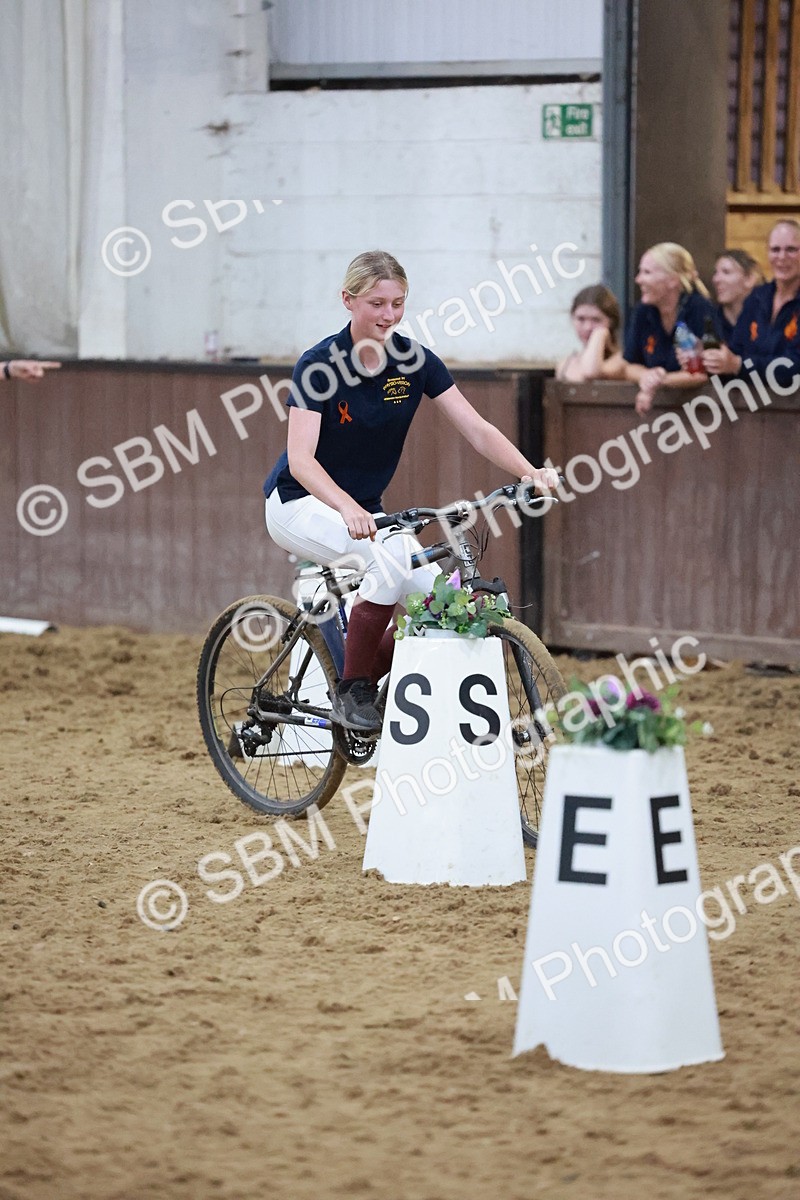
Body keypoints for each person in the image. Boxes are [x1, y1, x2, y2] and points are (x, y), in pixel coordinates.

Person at [263, 250, 559, 733]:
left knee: (443, 603)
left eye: (398, 303)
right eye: (377, 304)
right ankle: (353, 691)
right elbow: (301, 460)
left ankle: (369, 679)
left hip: (366, 513)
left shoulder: (415, 361)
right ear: (348, 300)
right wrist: (347, 506)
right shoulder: (318, 366)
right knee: (390, 562)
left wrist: (530, 472)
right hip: (299, 503)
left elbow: (478, 430)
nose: (389, 315)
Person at [702, 219, 800, 390]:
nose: (782, 257)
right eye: (775, 250)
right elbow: (736, 351)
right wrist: (712, 361)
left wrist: (739, 365)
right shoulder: (757, 298)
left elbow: (795, 367)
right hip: (752, 403)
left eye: (791, 250)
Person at [622, 242, 716, 415]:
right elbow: (629, 366)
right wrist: (648, 376)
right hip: (658, 412)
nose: (638, 279)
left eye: (647, 272)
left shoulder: (699, 309)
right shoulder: (643, 311)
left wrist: (660, 380)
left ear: (672, 280)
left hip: (701, 412)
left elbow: (701, 373)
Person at [555, 285, 626, 382]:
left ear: (611, 322)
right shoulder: (566, 365)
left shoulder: (623, 360)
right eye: (581, 319)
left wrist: (600, 334)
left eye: (596, 320)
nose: (587, 327)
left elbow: (590, 371)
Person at [711, 249, 761, 343]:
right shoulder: (710, 319)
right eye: (715, 273)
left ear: (749, 279)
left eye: (726, 272)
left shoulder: (765, 318)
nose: (716, 279)